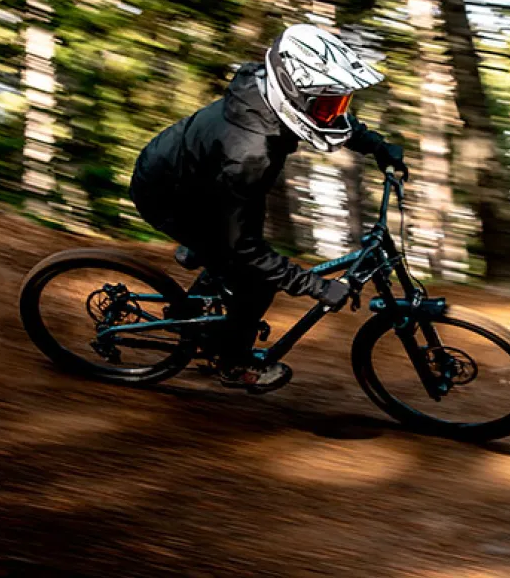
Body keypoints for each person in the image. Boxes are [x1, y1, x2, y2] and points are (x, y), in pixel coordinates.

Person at [129, 24, 408, 392]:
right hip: (172, 194)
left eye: (338, 102)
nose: (334, 112)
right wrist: (313, 286)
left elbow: (329, 118)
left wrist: (376, 146)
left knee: (236, 248)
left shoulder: (263, 88)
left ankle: (203, 283)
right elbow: (244, 247)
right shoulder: (249, 155)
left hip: (194, 173)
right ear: (291, 93)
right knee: (256, 284)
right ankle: (231, 361)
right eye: (327, 103)